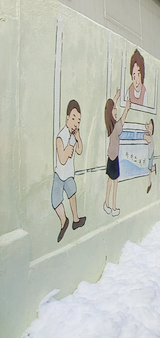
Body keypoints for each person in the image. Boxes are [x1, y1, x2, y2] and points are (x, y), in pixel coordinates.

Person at [52, 100, 86, 242]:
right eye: (73, 119)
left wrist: (78, 138)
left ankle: (75, 219)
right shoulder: (61, 137)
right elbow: (62, 159)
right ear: (67, 118)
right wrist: (67, 150)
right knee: (55, 202)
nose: (75, 124)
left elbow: (79, 151)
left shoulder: (73, 136)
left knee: (72, 194)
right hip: (59, 176)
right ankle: (63, 220)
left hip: (69, 175)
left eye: (78, 121)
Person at [104, 90, 131, 216]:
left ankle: (107, 203)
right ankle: (113, 207)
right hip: (114, 158)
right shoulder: (115, 127)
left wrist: (116, 97)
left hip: (111, 156)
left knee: (110, 181)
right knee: (115, 183)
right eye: (114, 109)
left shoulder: (109, 124)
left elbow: (110, 110)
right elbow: (122, 120)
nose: (116, 110)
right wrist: (126, 108)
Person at [144, 119, 156, 193]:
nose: (149, 129)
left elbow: (145, 137)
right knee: (149, 168)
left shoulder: (150, 137)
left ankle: (149, 183)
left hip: (150, 154)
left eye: (150, 128)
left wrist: (146, 129)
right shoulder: (150, 136)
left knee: (149, 169)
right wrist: (147, 127)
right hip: (150, 154)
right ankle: (154, 168)